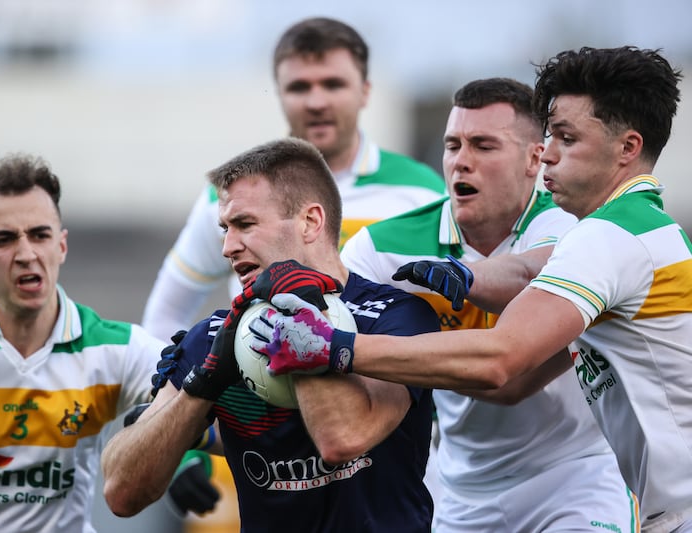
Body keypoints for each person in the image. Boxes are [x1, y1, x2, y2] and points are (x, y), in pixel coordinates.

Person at [249, 46, 691, 532]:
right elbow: (526, 275)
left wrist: (337, 348)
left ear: (628, 148)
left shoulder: (603, 235)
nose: (552, 154)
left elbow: (502, 364)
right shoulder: (636, 228)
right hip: (466, 493)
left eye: (566, 138)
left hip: (591, 485)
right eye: (453, 144)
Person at [340, 77, 636, 531]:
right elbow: (325, 339)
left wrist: (376, 353)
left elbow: (510, 380)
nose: (461, 161)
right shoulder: (380, 249)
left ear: (535, 158)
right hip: (458, 490)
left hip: (576, 474)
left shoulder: (576, 228)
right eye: (452, 145)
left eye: (483, 145)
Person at [101, 138, 442, 531]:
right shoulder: (215, 335)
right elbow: (120, 493)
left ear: (310, 222)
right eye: (224, 228)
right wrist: (201, 386)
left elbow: (342, 439)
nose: (228, 247)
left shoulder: (397, 316)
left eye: (245, 224)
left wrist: (297, 312)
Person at [0, 155, 166, 533]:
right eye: (4, 240)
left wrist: (182, 459)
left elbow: (205, 403)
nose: (26, 254)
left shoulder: (115, 349)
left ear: (62, 246)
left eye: (39, 235)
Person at [141, 16, 445, 343]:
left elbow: (458, 318)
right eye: (299, 87)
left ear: (365, 92)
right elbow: (165, 314)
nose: (316, 102)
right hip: (260, 390)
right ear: (280, 94)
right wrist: (179, 383)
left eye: (333, 84)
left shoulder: (422, 192)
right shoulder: (229, 196)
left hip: (384, 392)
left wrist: (435, 394)